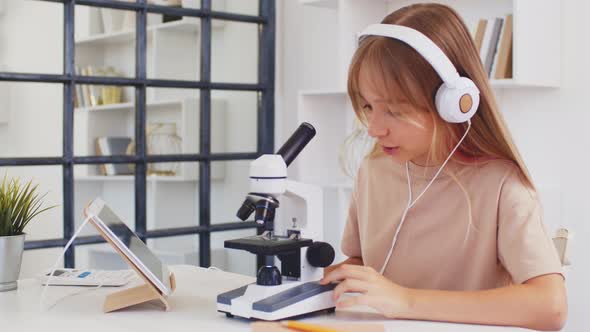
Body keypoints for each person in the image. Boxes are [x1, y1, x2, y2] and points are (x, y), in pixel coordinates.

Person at [320, 4, 567, 331]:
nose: (374, 129)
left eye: (394, 110)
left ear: (453, 103)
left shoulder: (501, 184)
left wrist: (405, 301)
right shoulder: (374, 170)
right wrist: (340, 278)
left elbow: (551, 307)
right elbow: (361, 262)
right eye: (368, 106)